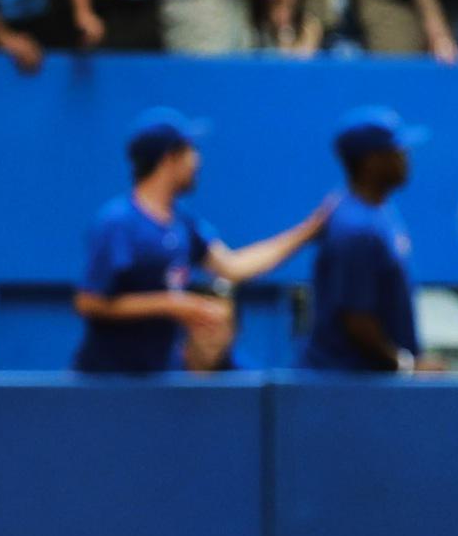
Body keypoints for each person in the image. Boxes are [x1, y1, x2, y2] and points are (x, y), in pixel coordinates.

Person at [74, 108, 328, 374]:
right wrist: (173, 304)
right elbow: (88, 301)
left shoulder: (183, 223)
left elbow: (234, 266)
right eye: (191, 151)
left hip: (155, 376)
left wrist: (308, 231)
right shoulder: (118, 222)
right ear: (169, 158)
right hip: (108, 377)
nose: (198, 161)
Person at [304, 108, 435, 373]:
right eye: (397, 151)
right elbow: (356, 319)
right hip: (345, 384)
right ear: (372, 162)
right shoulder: (355, 227)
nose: (406, 158)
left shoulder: (378, 210)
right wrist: (407, 365)